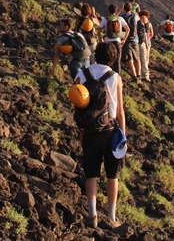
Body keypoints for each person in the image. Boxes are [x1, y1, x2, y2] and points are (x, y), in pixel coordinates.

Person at [74, 43, 126, 229]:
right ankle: (111, 217)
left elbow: (78, 103)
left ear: (95, 55)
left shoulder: (82, 74)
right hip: (110, 130)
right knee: (112, 175)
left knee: (91, 174)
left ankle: (92, 214)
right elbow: (120, 111)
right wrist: (123, 136)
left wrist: (81, 129)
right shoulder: (115, 77)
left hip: (89, 131)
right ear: (113, 59)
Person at [99, 4, 129, 75]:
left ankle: (106, 76)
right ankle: (118, 78)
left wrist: (101, 41)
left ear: (108, 11)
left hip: (107, 41)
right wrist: (124, 40)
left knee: (107, 59)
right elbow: (128, 30)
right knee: (117, 60)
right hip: (117, 41)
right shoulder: (120, 19)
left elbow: (99, 32)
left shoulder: (105, 20)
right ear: (116, 11)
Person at [120, 2, 140, 80]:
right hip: (135, 39)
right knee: (137, 58)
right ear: (131, 9)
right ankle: (139, 75)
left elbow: (115, 17)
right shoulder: (135, 16)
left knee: (130, 59)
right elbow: (138, 17)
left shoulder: (121, 17)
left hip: (126, 39)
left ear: (124, 9)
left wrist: (120, 10)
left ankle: (134, 77)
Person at [137, 10, 153, 82]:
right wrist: (147, 44)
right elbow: (149, 34)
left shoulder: (136, 22)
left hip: (135, 42)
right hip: (143, 42)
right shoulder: (147, 24)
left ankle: (139, 74)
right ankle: (146, 75)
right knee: (144, 58)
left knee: (138, 59)